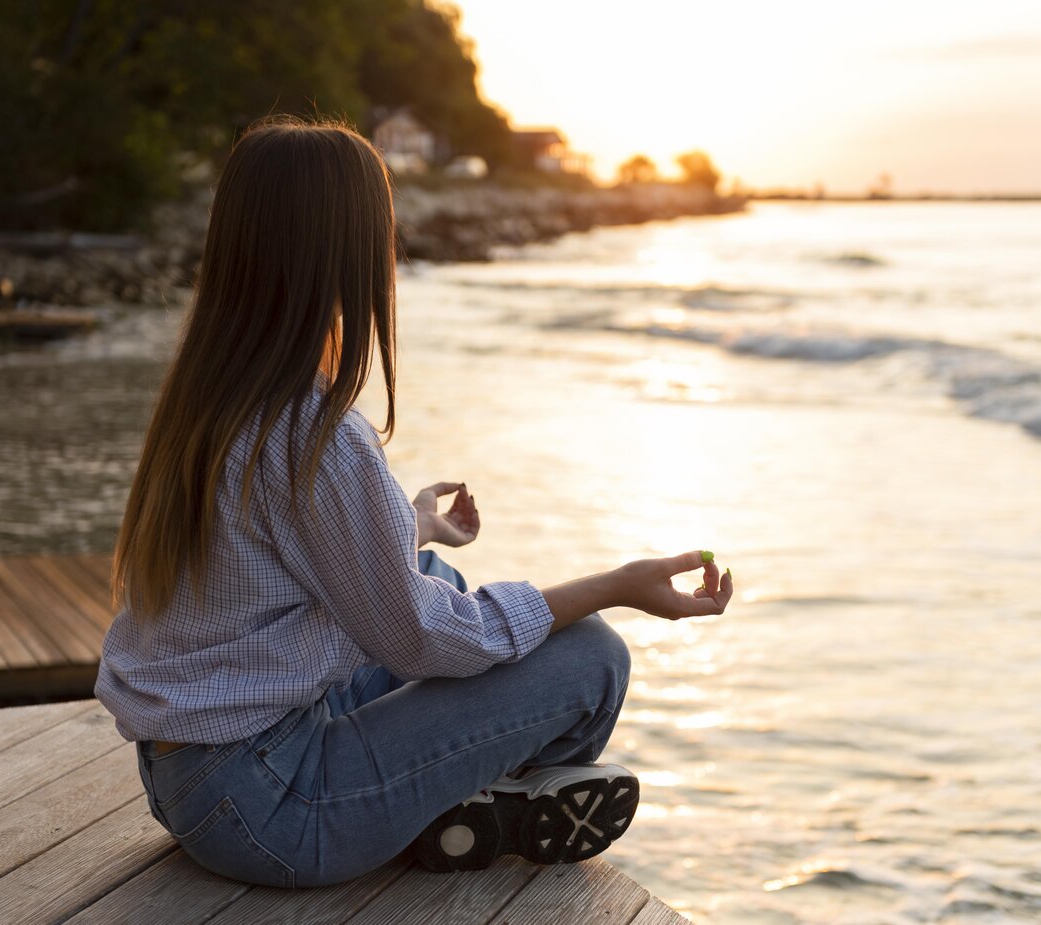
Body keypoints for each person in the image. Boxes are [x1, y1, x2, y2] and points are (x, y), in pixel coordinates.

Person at [93, 115, 734, 889]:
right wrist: (615, 586)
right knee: (590, 656)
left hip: (185, 776)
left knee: (437, 572)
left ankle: (451, 796)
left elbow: (268, 560)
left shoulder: (207, 395)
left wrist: (410, 523)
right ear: (349, 254)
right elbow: (424, 640)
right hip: (274, 809)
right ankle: (479, 800)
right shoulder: (313, 433)